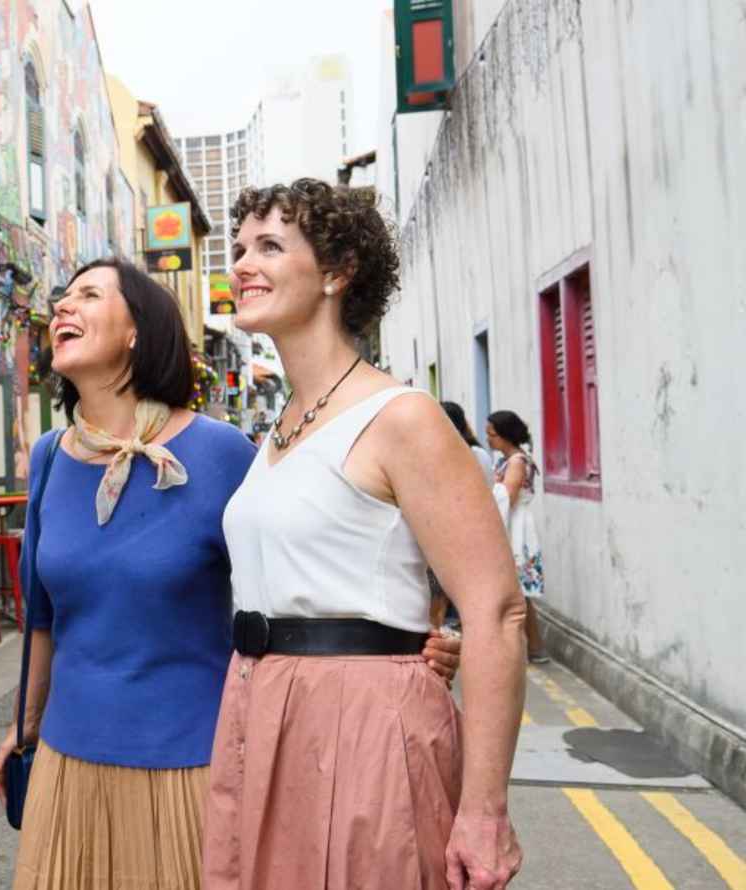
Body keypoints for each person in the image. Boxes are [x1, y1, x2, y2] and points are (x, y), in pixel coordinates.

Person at [0, 257, 460, 889]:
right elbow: (42, 616)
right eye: (62, 299)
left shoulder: (221, 453)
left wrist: (407, 643)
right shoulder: (48, 457)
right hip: (67, 763)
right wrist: (26, 722)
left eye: (89, 296)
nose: (63, 308)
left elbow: (306, 576)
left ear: (137, 332)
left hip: (196, 765)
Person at [206, 179, 526, 890]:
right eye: (237, 250)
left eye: (268, 246)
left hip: (365, 722)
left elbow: (497, 611)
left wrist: (484, 810)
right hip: (262, 709)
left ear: (336, 271)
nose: (241, 265)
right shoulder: (279, 430)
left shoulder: (402, 416)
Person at [486, 410, 548, 664]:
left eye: (492, 434)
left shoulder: (517, 462)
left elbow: (507, 497)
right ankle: (533, 647)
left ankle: (529, 646)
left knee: (517, 591)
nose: (488, 439)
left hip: (516, 529)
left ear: (505, 436)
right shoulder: (508, 460)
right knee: (519, 592)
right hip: (513, 525)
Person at [430, 401, 496, 627]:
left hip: (453, 527)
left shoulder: (448, 453)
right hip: (475, 527)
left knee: (445, 586)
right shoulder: (480, 454)